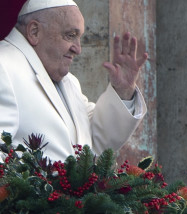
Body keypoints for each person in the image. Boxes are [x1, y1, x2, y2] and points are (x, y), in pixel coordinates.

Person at [0, 0, 148, 161]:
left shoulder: (69, 82)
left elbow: (93, 140)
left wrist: (123, 90)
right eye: (70, 36)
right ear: (34, 32)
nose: (78, 49)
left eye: (80, 38)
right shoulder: (4, 65)